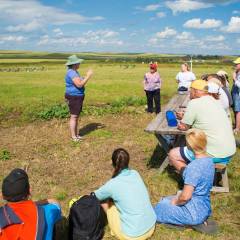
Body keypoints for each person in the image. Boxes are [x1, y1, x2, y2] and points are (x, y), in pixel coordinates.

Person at [155, 129, 215, 227]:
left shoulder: (194, 167)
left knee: (158, 208)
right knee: (165, 200)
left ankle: (187, 221)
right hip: (205, 207)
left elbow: (185, 197)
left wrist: (175, 202)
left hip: (192, 213)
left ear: (190, 145)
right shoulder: (210, 161)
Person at [170, 79, 236, 167]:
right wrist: (186, 117)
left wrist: (181, 123)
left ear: (195, 91)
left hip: (214, 154)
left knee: (173, 154)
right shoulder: (216, 101)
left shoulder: (194, 103)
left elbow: (184, 127)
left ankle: (190, 176)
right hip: (229, 151)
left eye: (191, 91)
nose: (190, 93)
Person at [94, 148, 156, 240]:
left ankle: (113, 226)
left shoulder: (112, 184)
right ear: (128, 161)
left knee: (105, 202)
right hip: (151, 226)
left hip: (133, 235)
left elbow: (96, 196)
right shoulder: (135, 173)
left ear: (113, 163)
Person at [0, 168, 61, 240]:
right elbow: (56, 205)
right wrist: (40, 202)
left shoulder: (2, 215)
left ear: (2, 196)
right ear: (29, 191)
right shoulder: (46, 211)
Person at [65, 55, 93, 141]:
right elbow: (79, 85)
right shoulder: (72, 73)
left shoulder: (74, 71)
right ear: (74, 64)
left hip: (76, 96)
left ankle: (76, 135)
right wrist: (88, 76)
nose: (79, 63)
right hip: (74, 97)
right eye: (78, 62)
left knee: (75, 116)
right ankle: (74, 137)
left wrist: (84, 77)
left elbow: (78, 81)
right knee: (74, 116)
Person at [231, 57, 240, 133]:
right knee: (236, 111)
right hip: (236, 94)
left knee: (238, 111)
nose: (235, 65)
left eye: (237, 64)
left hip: (238, 95)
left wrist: (234, 79)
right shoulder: (238, 72)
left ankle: (237, 128)